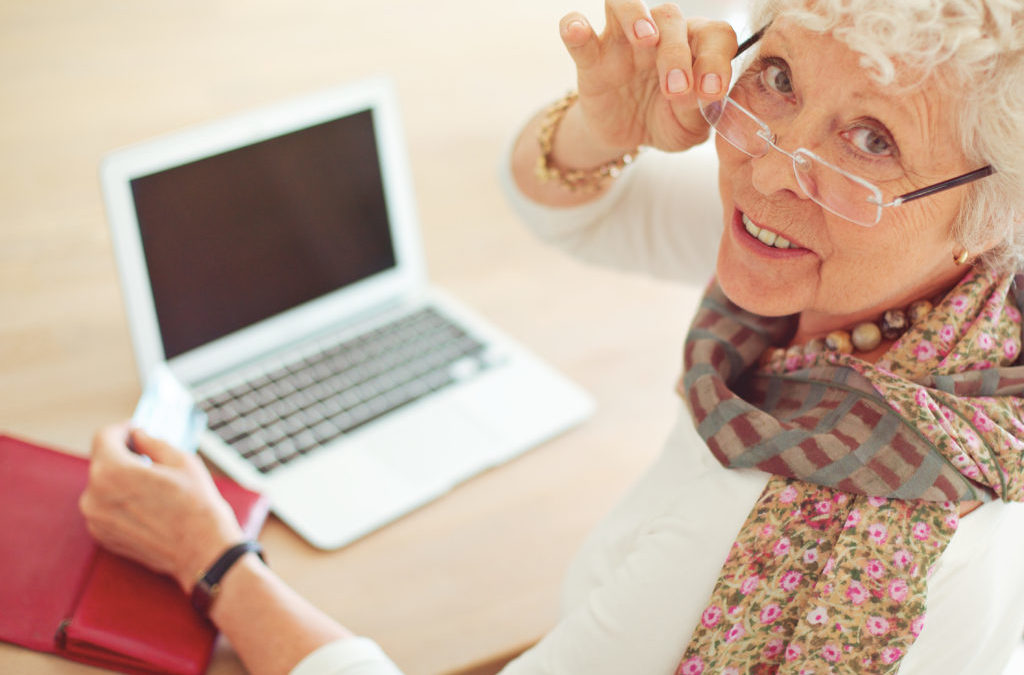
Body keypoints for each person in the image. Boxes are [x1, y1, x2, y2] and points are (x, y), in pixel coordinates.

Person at [81, 0, 1024, 673]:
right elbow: (579, 211)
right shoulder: (968, 303)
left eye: (873, 141)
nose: (774, 173)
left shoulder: (779, 533)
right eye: (776, 75)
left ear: (989, 215)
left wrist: (213, 561)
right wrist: (603, 123)